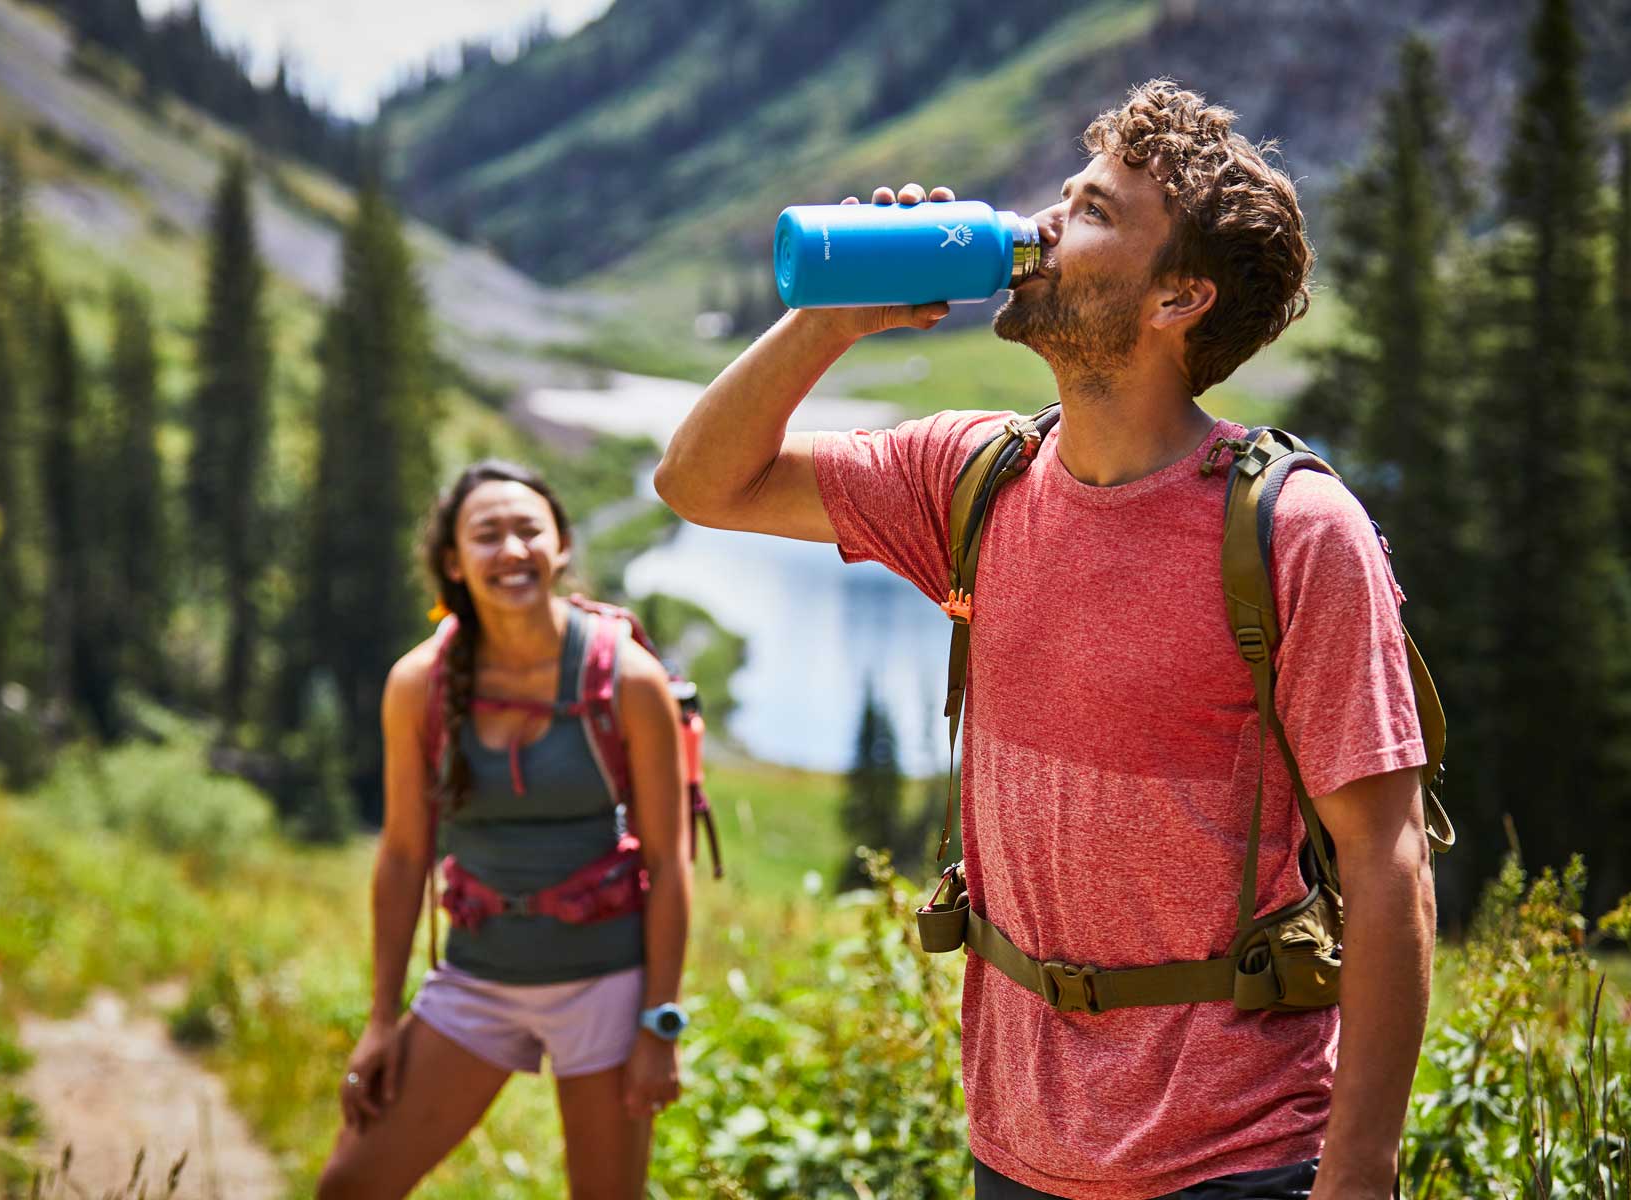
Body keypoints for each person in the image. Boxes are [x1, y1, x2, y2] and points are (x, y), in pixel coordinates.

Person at [656, 80, 1435, 1200]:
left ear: (1179, 298)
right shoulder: (974, 477)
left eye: (1095, 212)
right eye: (1066, 195)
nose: (1044, 223)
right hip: (1017, 1145)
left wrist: (1360, 1170)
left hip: (1237, 1153)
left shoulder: (1294, 530)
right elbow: (699, 482)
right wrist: (831, 318)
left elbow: (1388, 859)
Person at [316, 461, 692, 1200]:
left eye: (529, 530)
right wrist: (381, 1020)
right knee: (349, 1187)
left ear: (561, 546)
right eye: (487, 535)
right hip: (475, 981)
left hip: (606, 987)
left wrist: (659, 1025)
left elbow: (668, 864)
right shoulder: (419, 684)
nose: (512, 550)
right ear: (454, 562)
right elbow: (403, 856)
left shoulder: (629, 679)